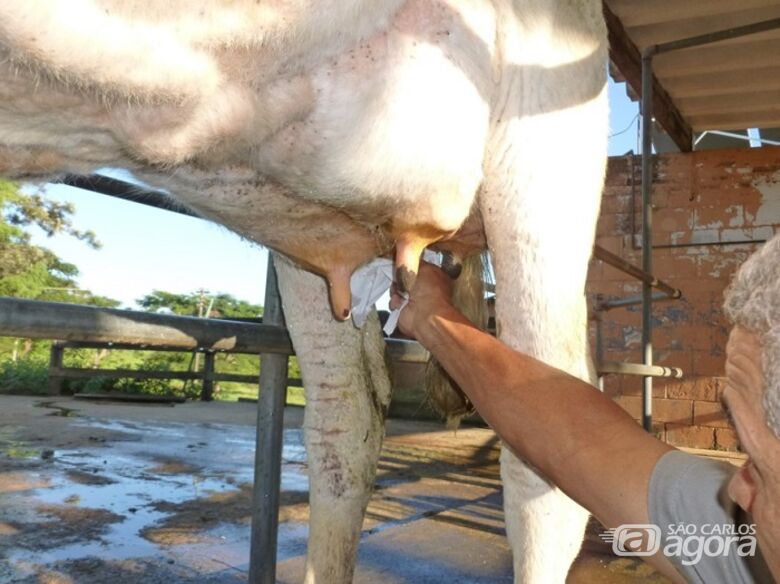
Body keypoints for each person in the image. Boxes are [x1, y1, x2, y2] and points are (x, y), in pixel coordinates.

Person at [390, 235, 780, 583]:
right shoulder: (749, 548)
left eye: (758, 466)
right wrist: (431, 315)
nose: (735, 487)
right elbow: (585, 444)